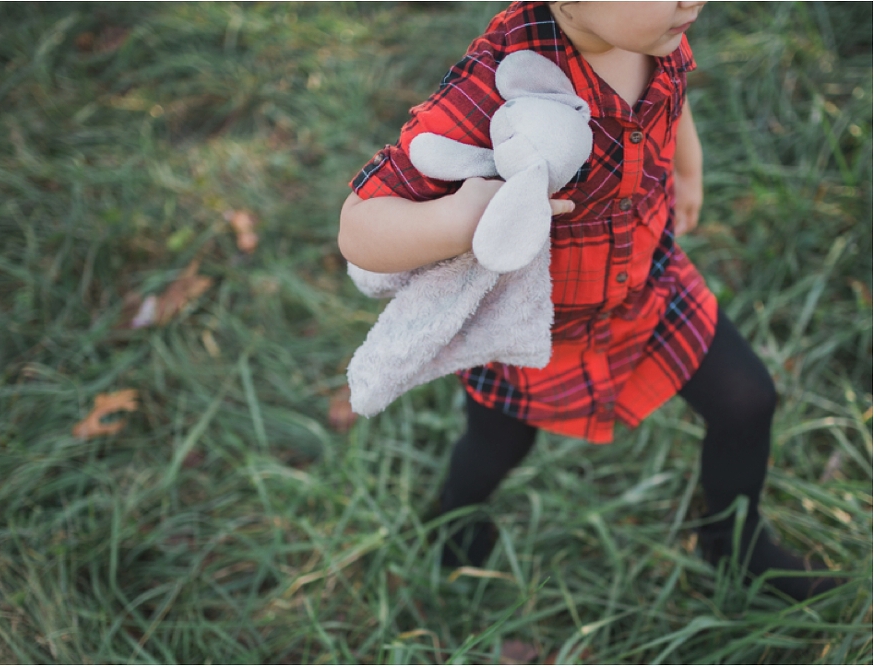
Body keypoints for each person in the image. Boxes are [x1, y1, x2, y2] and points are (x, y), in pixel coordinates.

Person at [338, 1, 838, 601]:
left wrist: (688, 167)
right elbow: (359, 228)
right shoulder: (494, 79)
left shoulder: (654, 32)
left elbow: (669, 100)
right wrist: (463, 217)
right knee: (495, 444)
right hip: (538, 325)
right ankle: (453, 522)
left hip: (647, 284)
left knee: (748, 400)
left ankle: (733, 541)